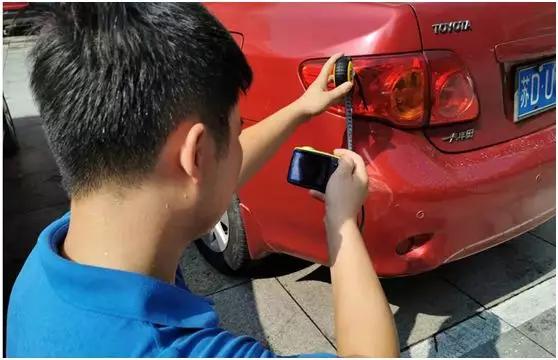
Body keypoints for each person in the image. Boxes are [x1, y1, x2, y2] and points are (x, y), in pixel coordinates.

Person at [6, 3, 399, 357]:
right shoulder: (185, 351)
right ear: (196, 156)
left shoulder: (50, 263)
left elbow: (202, 180)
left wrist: (300, 110)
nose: (240, 147)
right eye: (234, 134)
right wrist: (342, 223)